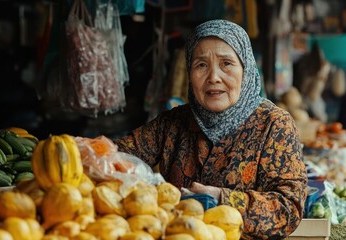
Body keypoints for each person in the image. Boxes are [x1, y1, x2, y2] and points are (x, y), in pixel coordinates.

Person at [114, 19, 307, 239]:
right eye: (201, 65)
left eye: (226, 63)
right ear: (190, 73)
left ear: (246, 69)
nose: (213, 77)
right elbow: (118, 155)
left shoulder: (274, 124)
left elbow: (288, 209)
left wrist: (222, 198)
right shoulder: (173, 122)